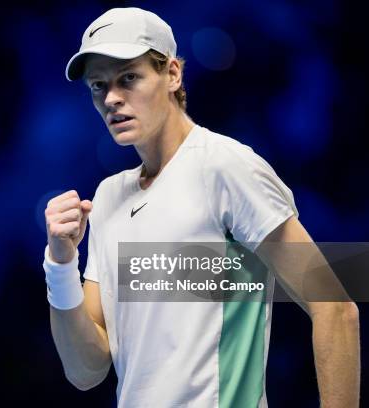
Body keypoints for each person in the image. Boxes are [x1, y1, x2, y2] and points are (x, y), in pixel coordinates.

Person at [42, 7, 359, 408]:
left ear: (173, 74)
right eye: (98, 86)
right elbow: (85, 371)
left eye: (129, 78)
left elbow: (336, 310)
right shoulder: (107, 197)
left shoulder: (225, 167)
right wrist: (60, 264)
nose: (112, 99)